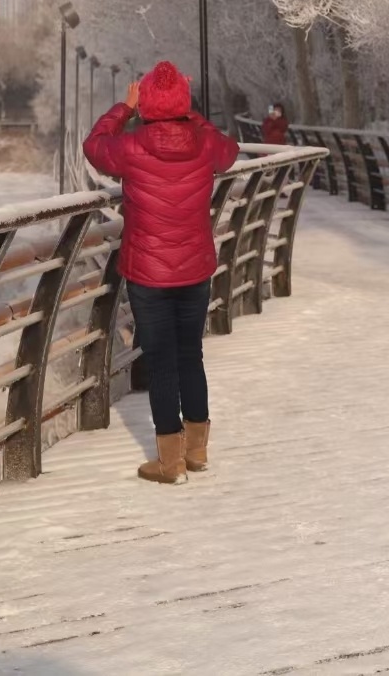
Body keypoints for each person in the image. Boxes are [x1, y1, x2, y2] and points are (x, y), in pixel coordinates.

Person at [83, 59, 239, 485]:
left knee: (162, 361)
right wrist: (188, 114)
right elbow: (229, 150)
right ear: (184, 104)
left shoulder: (132, 147)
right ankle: (198, 451)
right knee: (191, 354)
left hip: (149, 273)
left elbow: (94, 147)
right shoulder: (204, 144)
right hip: (194, 269)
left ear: (147, 102)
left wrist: (124, 108)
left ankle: (170, 462)